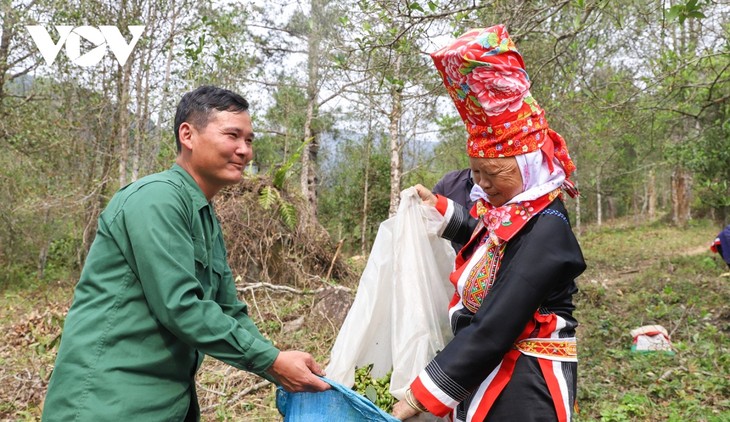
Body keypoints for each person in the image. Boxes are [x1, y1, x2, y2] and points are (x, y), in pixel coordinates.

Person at [42, 86, 330, 421]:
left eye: (249, 140)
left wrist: (278, 363)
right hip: (108, 401)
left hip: (166, 403)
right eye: (232, 135)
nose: (244, 151)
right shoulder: (156, 199)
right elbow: (180, 306)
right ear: (188, 135)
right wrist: (271, 361)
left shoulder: (204, 216)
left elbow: (229, 310)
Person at [392, 25, 586, 422]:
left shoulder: (548, 229)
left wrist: (419, 396)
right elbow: (492, 246)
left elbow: (497, 323)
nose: (481, 185)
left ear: (529, 167)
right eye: (475, 172)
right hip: (489, 365)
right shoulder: (517, 210)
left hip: (526, 383)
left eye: (492, 173)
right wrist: (442, 212)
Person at [432, 168, 475, 252]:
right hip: (453, 261)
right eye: (477, 172)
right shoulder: (449, 183)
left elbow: (487, 233)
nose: (484, 183)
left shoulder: (503, 185)